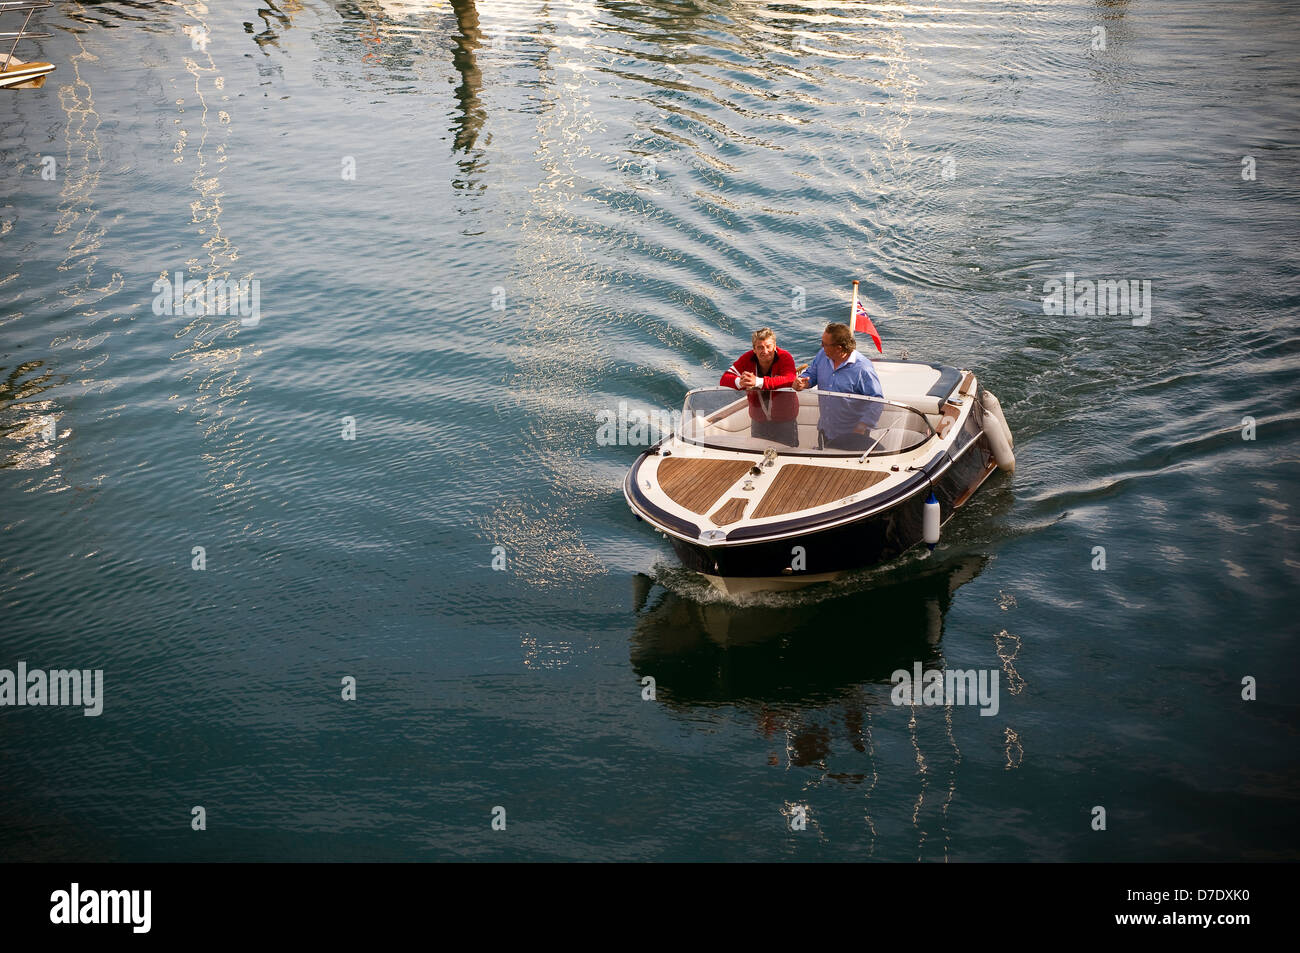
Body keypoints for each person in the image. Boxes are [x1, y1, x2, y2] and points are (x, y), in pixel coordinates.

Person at [792, 322, 884, 450]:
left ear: (839, 348)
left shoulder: (863, 368)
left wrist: (862, 427)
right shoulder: (822, 355)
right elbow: (812, 374)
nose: (821, 346)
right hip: (825, 429)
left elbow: (877, 401)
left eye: (824, 344)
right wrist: (803, 382)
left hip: (852, 436)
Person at [719, 328, 800, 446]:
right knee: (757, 454)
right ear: (754, 349)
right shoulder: (747, 358)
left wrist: (758, 382)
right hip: (758, 421)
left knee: (788, 454)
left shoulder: (785, 357)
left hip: (785, 420)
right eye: (760, 347)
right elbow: (724, 379)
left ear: (775, 346)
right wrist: (739, 382)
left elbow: (789, 379)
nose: (765, 351)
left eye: (768, 346)